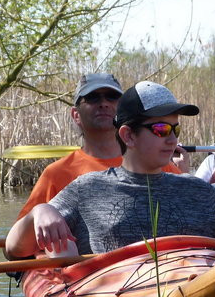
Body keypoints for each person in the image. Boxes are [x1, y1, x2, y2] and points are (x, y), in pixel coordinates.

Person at [5, 81, 215, 260]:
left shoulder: (197, 191)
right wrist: (39, 213)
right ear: (128, 135)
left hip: (193, 293)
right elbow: (13, 250)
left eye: (175, 128)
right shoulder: (86, 190)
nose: (173, 138)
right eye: (161, 128)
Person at [15, 73, 188, 219]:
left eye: (112, 97)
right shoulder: (56, 174)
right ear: (76, 115)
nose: (104, 103)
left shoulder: (161, 166)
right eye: (92, 97)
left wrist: (186, 176)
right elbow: (19, 248)